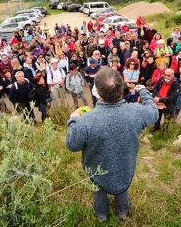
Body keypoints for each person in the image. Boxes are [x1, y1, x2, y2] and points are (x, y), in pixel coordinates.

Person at [66, 67, 158, 222]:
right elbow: (153, 113)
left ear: (97, 91)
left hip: (97, 169)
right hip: (125, 166)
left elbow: (71, 144)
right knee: (122, 189)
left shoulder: (87, 120)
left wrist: (73, 119)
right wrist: (144, 92)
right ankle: (122, 213)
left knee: (99, 192)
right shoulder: (135, 111)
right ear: (121, 88)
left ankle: (102, 216)